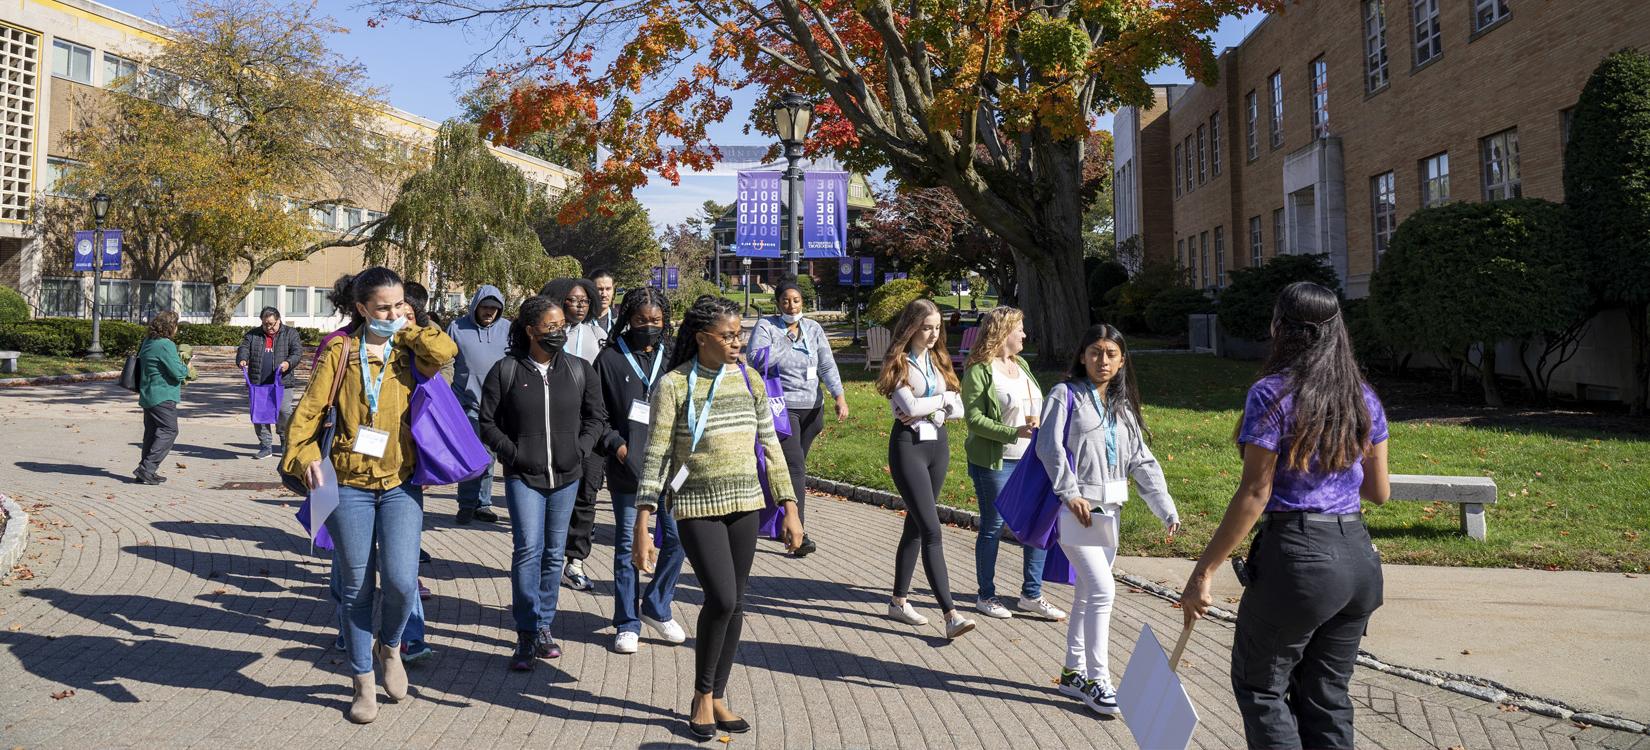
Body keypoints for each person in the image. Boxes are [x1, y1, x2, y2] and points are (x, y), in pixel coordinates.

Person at [1180, 282, 1389, 750]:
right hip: (1358, 559)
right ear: (1338, 332)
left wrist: (1204, 570)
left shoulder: (1272, 394)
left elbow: (1256, 490)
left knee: (1261, 687)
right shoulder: (1364, 397)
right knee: (1327, 696)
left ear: (1279, 328)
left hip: (1297, 559)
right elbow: (1379, 491)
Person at [281, 266, 457, 724]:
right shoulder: (340, 350)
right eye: (383, 307)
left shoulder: (409, 345)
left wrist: (411, 327)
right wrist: (303, 458)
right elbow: (309, 412)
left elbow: (445, 351)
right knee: (357, 588)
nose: (393, 313)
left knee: (401, 581)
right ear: (361, 308)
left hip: (401, 484)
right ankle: (362, 681)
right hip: (349, 483)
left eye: (399, 305)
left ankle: (391, 646)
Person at [635, 294, 803, 741]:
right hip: (695, 507)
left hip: (745, 503)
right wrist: (643, 522)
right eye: (728, 336)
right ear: (701, 338)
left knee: (738, 602)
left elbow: (772, 447)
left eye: (740, 335)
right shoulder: (673, 385)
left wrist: (790, 508)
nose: (737, 343)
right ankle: (701, 695)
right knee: (723, 599)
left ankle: (718, 694)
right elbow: (656, 457)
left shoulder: (750, 379)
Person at [1039, 324, 1179, 716]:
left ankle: (1073, 673)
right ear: (1083, 355)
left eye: (1111, 354)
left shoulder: (1122, 406)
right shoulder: (1064, 395)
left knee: (1087, 595)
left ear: (1121, 361)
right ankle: (1099, 680)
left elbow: (1141, 460)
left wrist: (1165, 507)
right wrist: (1069, 493)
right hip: (1076, 512)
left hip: (1110, 513)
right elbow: (1048, 448)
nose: (1103, 360)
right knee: (1103, 591)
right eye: (1096, 352)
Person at [478, 295, 606, 671]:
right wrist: (512, 453)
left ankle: (544, 624)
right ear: (531, 330)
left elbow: (596, 418)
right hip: (524, 477)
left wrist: (580, 450)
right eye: (551, 327)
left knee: (554, 553)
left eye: (561, 326)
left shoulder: (581, 369)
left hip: (567, 476)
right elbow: (488, 423)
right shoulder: (506, 370)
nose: (558, 332)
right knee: (528, 550)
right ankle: (526, 630)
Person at [593, 287, 688, 653]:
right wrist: (617, 446)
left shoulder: (676, 356)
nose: (648, 326)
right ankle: (627, 621)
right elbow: (597, 415)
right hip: (627, 467)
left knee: (677, 539)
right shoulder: (610, 359)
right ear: (627, 320)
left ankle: (656, 606)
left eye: (655, 320)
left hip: (671, 468)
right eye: (640, 320)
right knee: (626, 546)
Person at [875, 298, 976, 640]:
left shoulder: (938, 359)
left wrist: (935, 408)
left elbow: (958, 406)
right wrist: (940, 402)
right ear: (911, 328)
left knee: (916, 526)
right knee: (932, 530)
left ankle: (898, 602)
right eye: (926, 327)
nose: (932, 334)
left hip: (938, 446)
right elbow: (908, 405)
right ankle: (950, 614)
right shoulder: (898, 362)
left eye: (936, 328)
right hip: (908, 448)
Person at [961, 306, 1066, 622]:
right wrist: (1013, 431)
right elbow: (974, 419)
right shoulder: (980, 370)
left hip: (1033, 460)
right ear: (1002, 332)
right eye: (1019, 328)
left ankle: (1031, 595)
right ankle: (986, 595)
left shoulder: (1021, 365)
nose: (1024, 334)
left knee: (1038, 524)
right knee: (993, 526)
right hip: (996, 460)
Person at [747, 280, 848, 558]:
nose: (792, 306)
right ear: (778, 303)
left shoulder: (813, 328)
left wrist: (838, 395)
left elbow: (826, 363)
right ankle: (797, 533)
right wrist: (788, 339)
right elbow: (756, 360)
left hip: (812, 409)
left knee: (792, 471)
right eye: (786, 301)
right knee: (795, 469)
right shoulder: (767, 327)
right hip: (782, 407)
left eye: (797, 301)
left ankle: (779, 522)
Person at [540, 277, 605, 591]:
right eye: (573, 300)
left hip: (589, 425)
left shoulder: (599, 335)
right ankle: (544, 557)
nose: (580, 305)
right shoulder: (548, 332)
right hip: (554, 422)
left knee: (586, 495)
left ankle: (575, 561)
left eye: (584, 301)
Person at [446, 285, 511, 525]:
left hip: (496, 406)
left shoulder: (508, 329)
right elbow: (445, 361)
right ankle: (466, 504)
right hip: (466, 403)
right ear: (476, 306)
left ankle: (483, 504)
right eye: (485, 307)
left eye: (495, 308)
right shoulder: (457, 327)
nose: (489, 312)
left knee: (488, 457)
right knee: (471, 456)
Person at [236, 307, 303, 460]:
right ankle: (265, 447)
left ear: (279, 320)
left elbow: (297, 352)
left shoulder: (290, 333)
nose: (269, 327)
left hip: (282, 382)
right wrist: (242, 359)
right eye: (265, 324)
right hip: (258, 382)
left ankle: (286, 444)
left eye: (272, 324)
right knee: (260, 415)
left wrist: (288, 363)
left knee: (284, 411)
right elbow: (243, 348)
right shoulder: (253, 334)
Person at [134, 310, 189, 485]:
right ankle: (147, 468)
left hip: (148, 393)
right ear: (171, 327)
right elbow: (177, 372)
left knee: (151, 433)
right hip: (162, 395)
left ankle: (146, 471)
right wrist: (187, 367)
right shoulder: (166, 345)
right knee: (169, 430)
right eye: (176, 325)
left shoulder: (148, 342)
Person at [589, 269, 618, 338]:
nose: (604, 294)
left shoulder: (620, 320)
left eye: (608, 289)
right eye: (599, 289)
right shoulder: (582, 322)